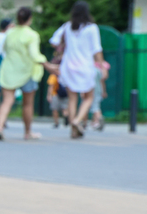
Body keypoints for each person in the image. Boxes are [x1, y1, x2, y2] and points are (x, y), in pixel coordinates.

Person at [0, 7, 58, 141]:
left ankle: (0, 127)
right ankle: (27, 132)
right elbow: (35, 55)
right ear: (30, 19)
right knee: (27, 104)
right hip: (26, 71)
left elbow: (5, 49)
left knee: (7, 101)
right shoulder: (32, 35)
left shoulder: (9, 33)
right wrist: (48, 66)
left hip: (9, 70)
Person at [50, 1, 109, 139]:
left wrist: (63, 45)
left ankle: (73, 129)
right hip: (85, 66)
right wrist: (101, 67)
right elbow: (97, 49)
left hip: (69, 66)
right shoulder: (91, 28)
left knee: (72, 98)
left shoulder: (67, 26)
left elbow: (54, 41)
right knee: (88, 97)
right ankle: (77, 121)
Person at [47, 55, 69, 128]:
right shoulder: (66, 75)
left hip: (55, 93)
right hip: (65, 93)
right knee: (64, 108)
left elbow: (51, 86)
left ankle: (56, 122)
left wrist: (49, 95)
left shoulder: (54, 75)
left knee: (55, 109)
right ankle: (66, 116)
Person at [89, 65, 108, 130]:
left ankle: (99, 118)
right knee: (96, 105)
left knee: (94, 107)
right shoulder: (98, 71)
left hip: (91, 90)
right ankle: (96, 121)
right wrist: (104, 91)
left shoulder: (90, 70)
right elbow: (102, 81)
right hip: (99, 90)